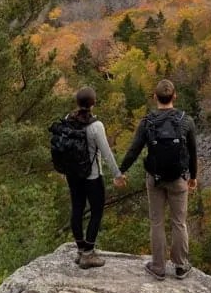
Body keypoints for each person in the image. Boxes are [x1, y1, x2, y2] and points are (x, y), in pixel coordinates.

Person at [119, 79, 198, 280]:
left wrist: (121, 171)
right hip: (179, 178)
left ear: (155, 97)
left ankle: (158, 267)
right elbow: (193, 152)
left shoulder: (147, 122)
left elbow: (134, 150)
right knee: (179, 222)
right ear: (174, 96)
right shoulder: (185, 121)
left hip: (154, 179)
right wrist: (193, 177)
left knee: (157, 222)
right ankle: (180, 266)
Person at [65, 86, 122, 268]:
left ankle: (81, 249)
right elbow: (106, 153)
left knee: (77, 210)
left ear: (77, 102)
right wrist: (117, 174)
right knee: (96, 211)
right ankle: (88, 253)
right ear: (93, 103)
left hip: (73, 175)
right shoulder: (96, 126)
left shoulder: (68, 120)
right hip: (92, 176)